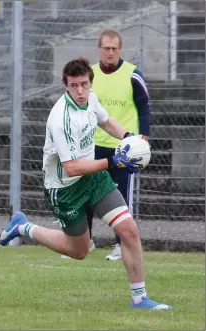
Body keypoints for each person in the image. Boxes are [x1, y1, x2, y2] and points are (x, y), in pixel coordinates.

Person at [0, 58, 171, 310]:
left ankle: (139, 298)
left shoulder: (92, 99)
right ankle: (24, 227)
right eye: (74, 86)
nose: (80, 91)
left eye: (84, 84)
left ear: (91, 83)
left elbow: (107, 122)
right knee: (79, 251)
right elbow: (72, 167)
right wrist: (114, 161)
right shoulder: (62, 119)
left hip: (93, 179)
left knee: (128, 229)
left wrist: (130, 139)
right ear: (65, 86)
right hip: (66, 188)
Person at [88, 29, 152, 261]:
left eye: (115, 48)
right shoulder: (90, 75)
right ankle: (86, 241)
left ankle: (120, 244)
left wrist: (142, 138)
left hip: (123, 148)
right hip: (93, 145)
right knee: (86, 193)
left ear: (120, 50)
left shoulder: (133, 74)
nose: (110, 52)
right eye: (106, 48)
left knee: (121, 197)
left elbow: (144, 107)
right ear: (99, 49)